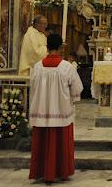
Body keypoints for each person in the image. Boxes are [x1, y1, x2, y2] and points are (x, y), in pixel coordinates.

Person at [29, 34, 83, 183]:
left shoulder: (37, 67)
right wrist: (71, 98)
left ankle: (41, 171)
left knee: (42, 141)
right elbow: (77, 88)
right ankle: (61, 171)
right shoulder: (67, 67)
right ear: (60, 47)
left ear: (47, 47)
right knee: (60, 143)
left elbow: (33, 88)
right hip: (60, 112)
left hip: (41, 111)